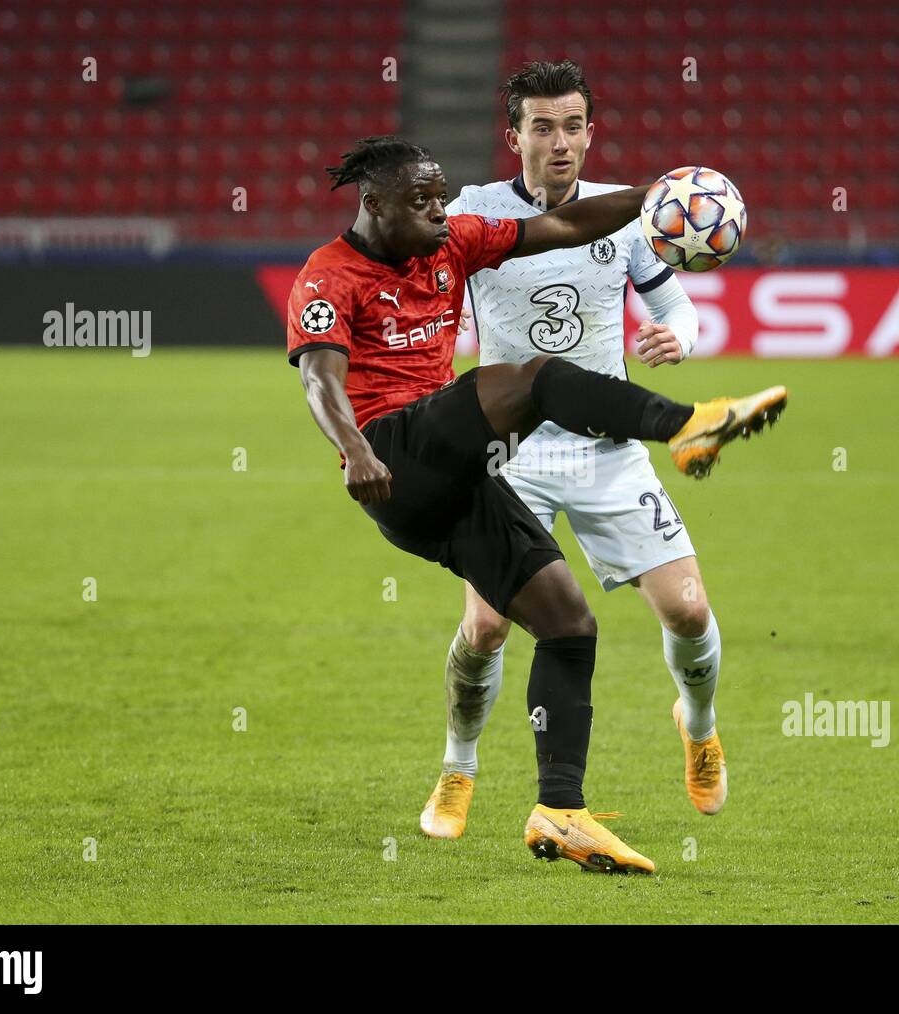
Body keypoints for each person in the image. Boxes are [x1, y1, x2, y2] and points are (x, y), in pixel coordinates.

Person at [289, 135, 787, 874]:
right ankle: (687, 426)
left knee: (568, 624)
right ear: (373, 203)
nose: (438, 209)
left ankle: (561, 809)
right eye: (421, 200)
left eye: (439, 195)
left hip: (453, 478)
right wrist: (354, 450)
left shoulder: (452, 240)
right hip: (392, 454)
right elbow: (320, 380)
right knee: (540, 378)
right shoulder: (330, 275)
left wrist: (648, 199)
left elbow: (562, 227)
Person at [420, 60, 735, 844]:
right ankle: (459, 766)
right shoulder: (473, 214)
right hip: (508, 458)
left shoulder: (623, 214)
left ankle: (698, 727)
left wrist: (679, 336)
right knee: (487, 627)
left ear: (590, 133)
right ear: (515, 135)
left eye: (573, 127)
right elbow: (431, 305)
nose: (560, 143)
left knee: (690, 611)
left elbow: (675, 301)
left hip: (607, 450)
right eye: (543, 127)